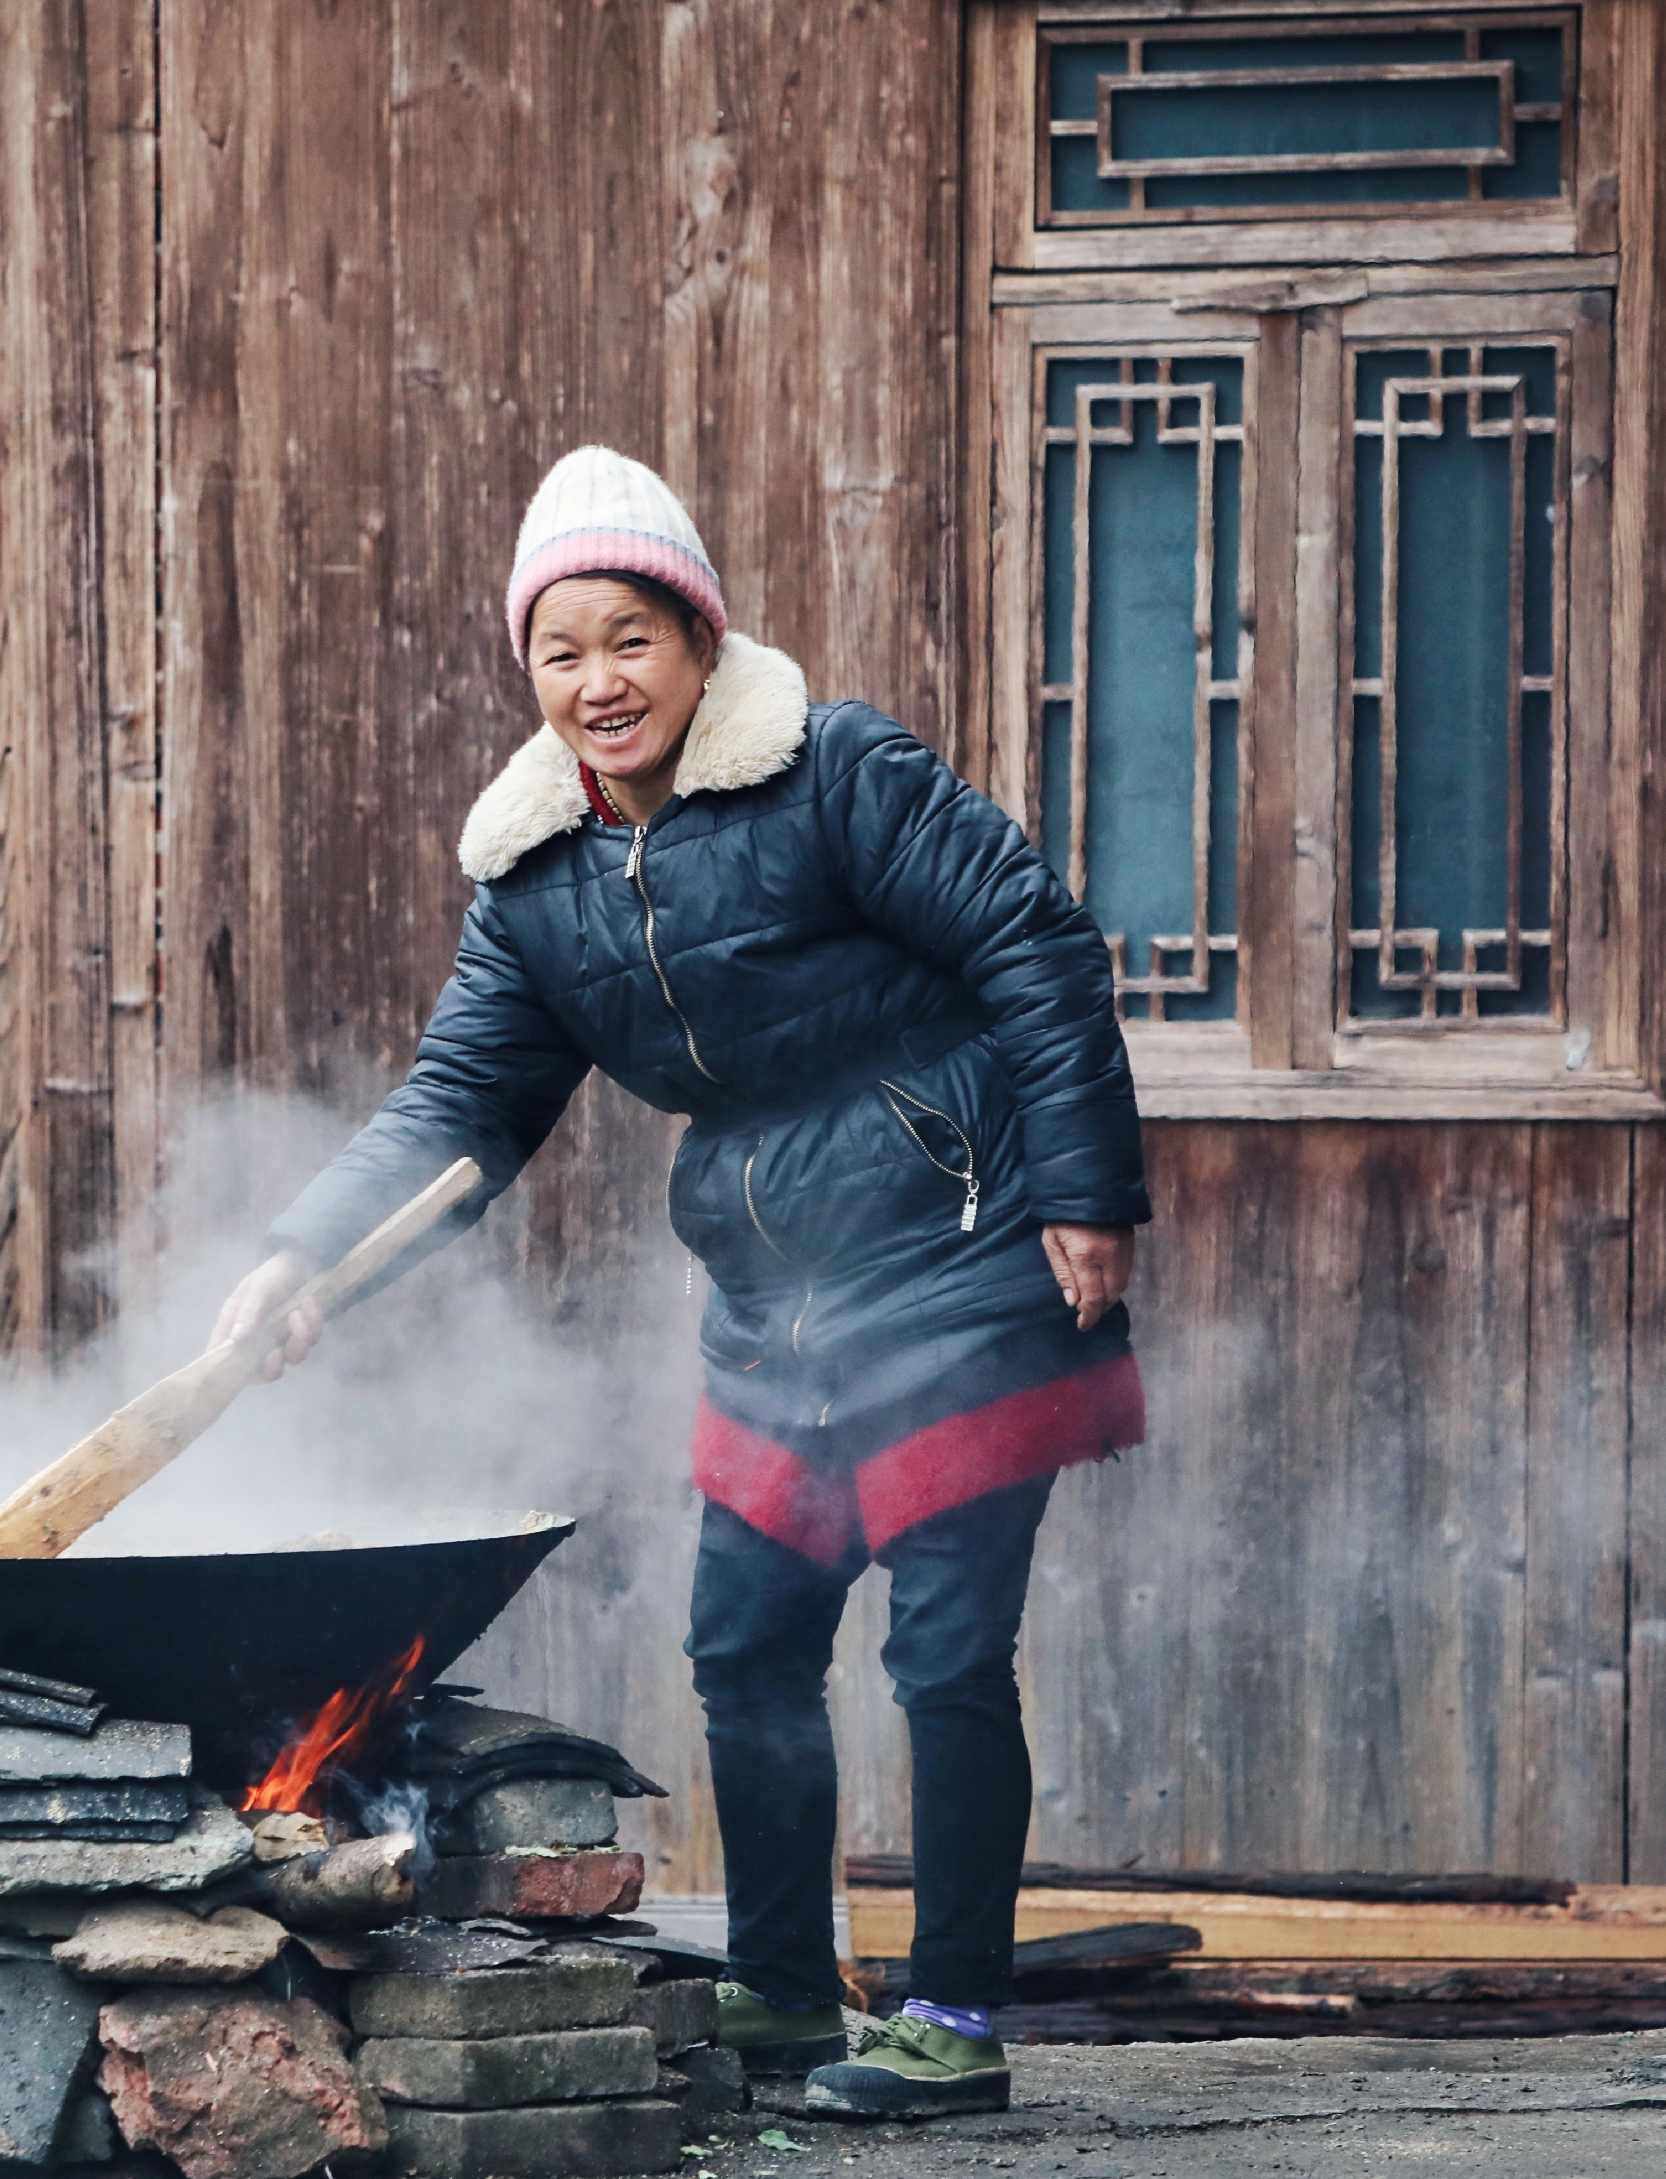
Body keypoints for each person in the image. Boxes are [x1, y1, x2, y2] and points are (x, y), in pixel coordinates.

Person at [213, 449, 1149, 2120]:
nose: (599, 681)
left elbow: (1037, 939)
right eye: (562, 651)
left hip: (962, 1253)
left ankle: (950, 2026)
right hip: (773, 1299)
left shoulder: (836, 773)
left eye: (631, 636)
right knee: (746, 1641)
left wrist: (1083, 1193)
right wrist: (306, 1263)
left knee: (942, 1651)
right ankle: (790, 1993)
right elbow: (459, 1111)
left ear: (700, 640)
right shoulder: (536, 883)